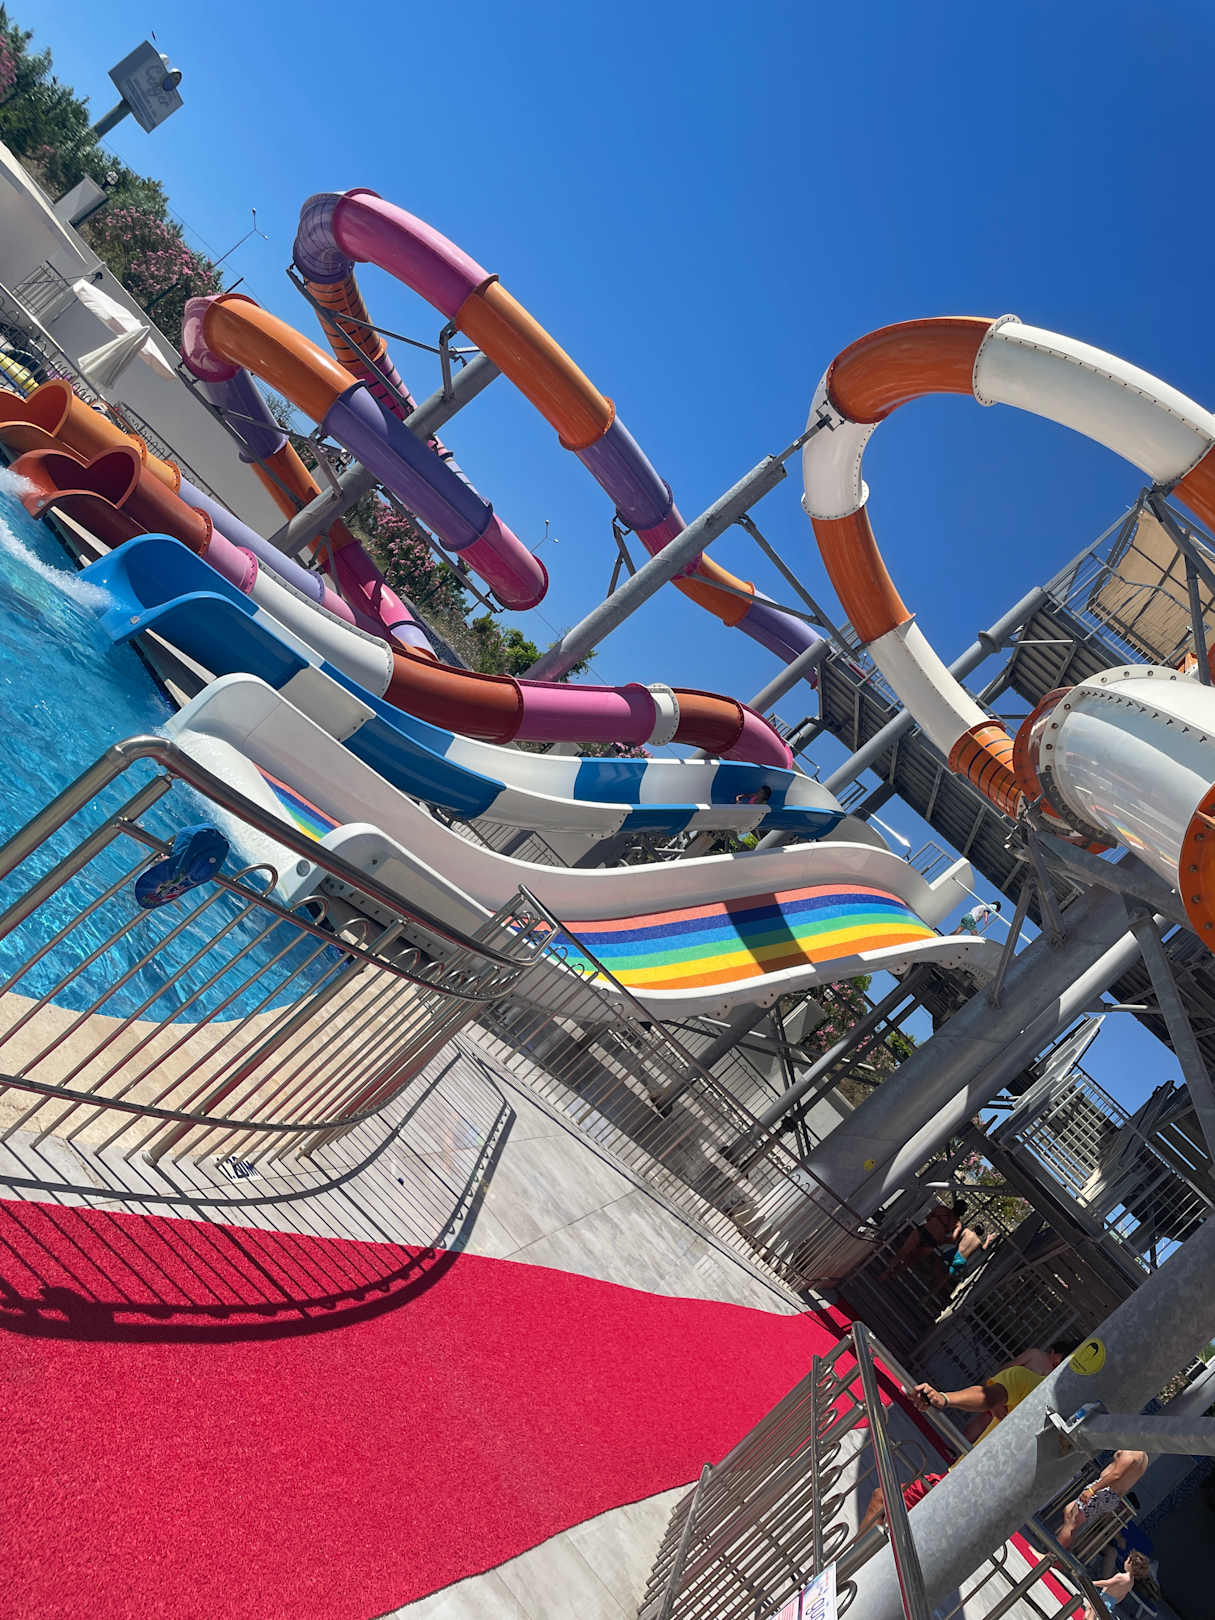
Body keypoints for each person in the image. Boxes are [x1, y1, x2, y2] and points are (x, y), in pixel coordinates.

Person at [914, 1341, 1072, 1443]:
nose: (1057, 1362)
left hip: (1014, 1406)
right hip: (1004, 1391)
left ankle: (961, 1448)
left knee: (988, 1429)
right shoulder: (1035, 1355)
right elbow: (1010, 1368)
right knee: (982, 1419)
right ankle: (956, 1446)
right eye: (1059, 1358)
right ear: (1053, 1352)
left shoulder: (1053, 1375)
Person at [1058, 1450, 1150, 1549]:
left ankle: (1053, 1555)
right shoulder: (1144, 1459)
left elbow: (1116, 1474)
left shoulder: (1131, 1453)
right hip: (1110, 1495)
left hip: (1104, 1491)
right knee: (1069, 1510)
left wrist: (1092, 1490)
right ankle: (1063, 1550)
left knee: (1072, 1521)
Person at [1082, 1549, 1151, 1617]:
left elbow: (1106, 1583)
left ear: (1130, 1563)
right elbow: (1122, 1596)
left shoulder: (1121, 1576)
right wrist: (1113, 1602)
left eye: (1126, 1560)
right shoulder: (1131, 1583)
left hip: (1104, 1598)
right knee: (1090, 1610)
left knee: (1091, 1612)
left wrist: (1092, 1583)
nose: (1125, 1561)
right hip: (1111, 1603)